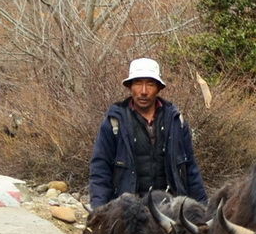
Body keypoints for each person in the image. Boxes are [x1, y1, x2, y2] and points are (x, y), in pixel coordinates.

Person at [89, 57, 208, 208]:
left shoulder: (176, 121)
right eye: (138, 83)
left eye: (150, 84)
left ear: (159, 88)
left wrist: (203, 209)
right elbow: (100, 169)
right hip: (127, 209)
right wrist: (99, 211)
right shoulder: (115, 122)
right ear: (130, 87)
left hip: (170, 208)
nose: (144, 91)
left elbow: (190, 168)